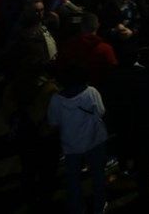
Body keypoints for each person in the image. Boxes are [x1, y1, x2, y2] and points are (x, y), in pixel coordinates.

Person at [48, 65, 108, 214]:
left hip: (71, 145)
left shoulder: (56, 100)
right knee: (98, 175)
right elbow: (101, 112)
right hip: (95, 140)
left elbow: (53, 123)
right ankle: (99, 206)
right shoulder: (91, 92)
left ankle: (77, 208)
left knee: (73, 180)